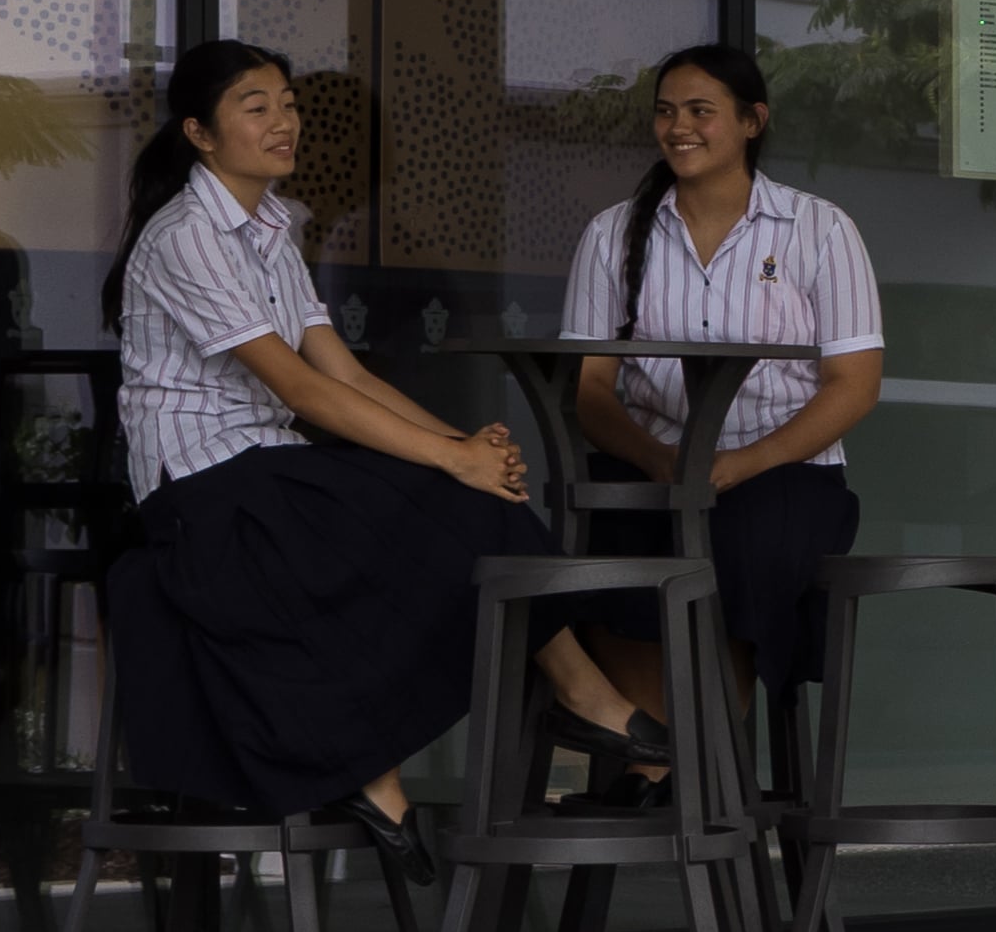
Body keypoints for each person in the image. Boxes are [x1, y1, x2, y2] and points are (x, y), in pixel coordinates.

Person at [95, 41, 533, 839]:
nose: (283, 122)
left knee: (465, 500)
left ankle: (570, 705)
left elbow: (349, 375)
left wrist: (467, 446)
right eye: (255, 107)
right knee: (430, 499)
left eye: (289, 103)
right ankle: (394, 758)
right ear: (199, 132)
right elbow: (301, 389)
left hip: (267, 467)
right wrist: (451, 457)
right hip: (203, 487)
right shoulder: (187, 233)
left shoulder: (270, 227)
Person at [545, 42, 884, 778]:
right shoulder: (612, 234)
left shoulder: (818, 230)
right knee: (604, 538)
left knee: (740, 542)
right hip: (651, 462)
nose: (679, 127)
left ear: (752, 121)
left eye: (701, 111)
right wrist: (661, 460)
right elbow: (589, 390)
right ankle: (663, 758)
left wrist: (741, 463)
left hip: (781, 467)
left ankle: (678, 769)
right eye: (666, 112)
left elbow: (853, 384)